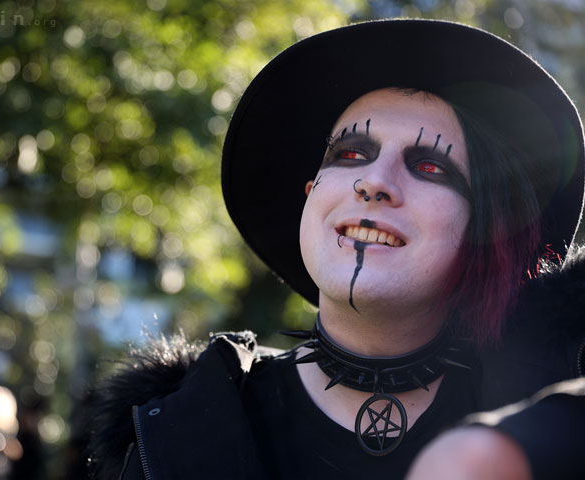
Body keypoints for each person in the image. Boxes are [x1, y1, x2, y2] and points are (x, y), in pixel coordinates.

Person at [87, 19, 585, 479]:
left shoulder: (555, 418)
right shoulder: (175, 433)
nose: (372, 182)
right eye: (350, 154)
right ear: (311, 197)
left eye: (430, 166)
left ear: (488, 226)